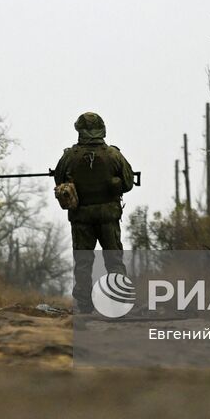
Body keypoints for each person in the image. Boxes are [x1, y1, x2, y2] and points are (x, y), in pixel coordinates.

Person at [54, 111, 135, 312]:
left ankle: (84, 303)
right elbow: (128, 183)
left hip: (81, 218)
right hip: (108, 217)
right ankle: (118, 302)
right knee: (114, 260)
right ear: (101, 129)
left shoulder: (69, 157)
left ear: (80, 130)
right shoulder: (113, 155)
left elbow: (59, 181)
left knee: (83, 261)